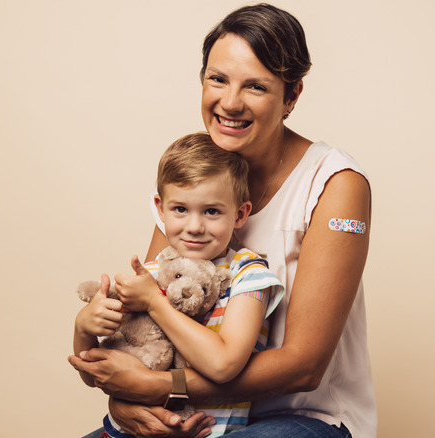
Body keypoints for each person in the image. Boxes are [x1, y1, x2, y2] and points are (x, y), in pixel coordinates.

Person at [69, 3, 377, 437]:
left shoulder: (335, 183)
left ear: (291, 96)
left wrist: (159, 386)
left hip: (301, 417)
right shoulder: (194, 179)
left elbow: (305, 366)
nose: (230, 103)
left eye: (256, 86)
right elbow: (152, 318)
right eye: (218, 79)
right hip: (198, 412)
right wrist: (126, 400)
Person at [74, 132, 285, 438]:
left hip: (208, 432)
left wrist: (154, 303)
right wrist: (83, 329)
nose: (195, 227)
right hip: (131, 430)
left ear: (240, 214)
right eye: (180, 210)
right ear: (160, 209)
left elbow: (224, 365)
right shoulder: (151, 273)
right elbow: (95, 375)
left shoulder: (249, 274)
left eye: (211, 211)